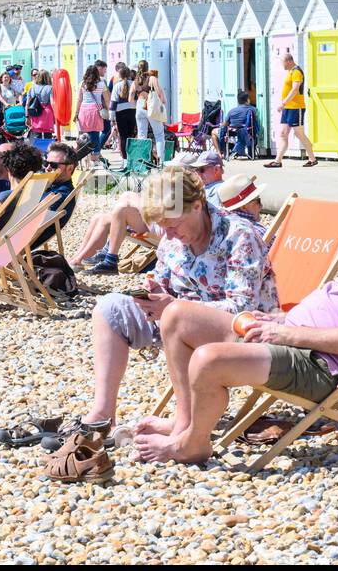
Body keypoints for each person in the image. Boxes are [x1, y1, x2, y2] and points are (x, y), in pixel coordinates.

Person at [129, 172, 338, 465]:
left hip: (318, 364)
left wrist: (287, 335)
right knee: (175, 316)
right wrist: (281, 321)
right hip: (290, 334)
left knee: (207, 360)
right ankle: (184, 422)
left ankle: (193, 443)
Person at [42, 168, 278, 453]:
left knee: (178, 315)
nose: (168, 234)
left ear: (197, 205)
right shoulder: (173, 238)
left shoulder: (240, 236)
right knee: (109, 307)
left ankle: (183, 425)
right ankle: (102, 417)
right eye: (162, 226)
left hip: (241, 334)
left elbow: (244, 308)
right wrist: (152, 295)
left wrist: (175, 308)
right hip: (177, 322)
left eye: (173, 224)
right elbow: (163, 285)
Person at [265, 54, 317, 168]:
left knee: (299, 134)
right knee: (283, 134)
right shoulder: (290, 72)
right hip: (288, 108)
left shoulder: (296, 72)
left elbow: (295, 90)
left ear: (288, 61)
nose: (282, 65)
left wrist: (283, 103)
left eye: (282, 62)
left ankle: (312, 158)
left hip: (296, 107)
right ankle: (277, 161)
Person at [131, 61, 167, 162]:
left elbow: (130, 98)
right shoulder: (152, 78)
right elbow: (159, 93)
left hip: (139, 106)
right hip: (149, 106)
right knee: (159, 134)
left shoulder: (136, 80)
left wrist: (138, 104)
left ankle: (142, 161)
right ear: (147, 67)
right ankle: (161, 162)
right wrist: (161, 105)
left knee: (142, 135)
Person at [76, 65, 111, 165]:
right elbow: (107, 99)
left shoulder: (82, 84)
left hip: (84, 110)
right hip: (96, 110)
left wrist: (76, 112)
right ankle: (95, 157)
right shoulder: (101, 84)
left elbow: (79, 99)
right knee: (95, 134)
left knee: (85, 135)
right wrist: (109, 112)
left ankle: (84, 157)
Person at [214, 173, 266, 237]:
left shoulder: (217, 227)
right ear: (244, 207)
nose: (261, 206)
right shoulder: (258, 232)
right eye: (258, 201)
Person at [215, 91, 257, 159]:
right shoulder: (253, 109)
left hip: (232, 131)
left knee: (214, 132)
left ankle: (222, 152)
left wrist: (222, 124)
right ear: (247, 100)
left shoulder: (232, 111)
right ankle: (249, 152)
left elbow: (225, 124)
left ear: (238, 101)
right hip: (247, 131)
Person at [24, 70, 56, 137]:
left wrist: (27, 116)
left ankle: (37, 147)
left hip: (35, 111)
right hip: (47, 111)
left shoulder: (32, 88)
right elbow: (52, 103)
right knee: (48, 135)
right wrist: (56, 115)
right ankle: (47, 147)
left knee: (36, 134)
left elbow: (27, 104)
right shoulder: (50, 88)